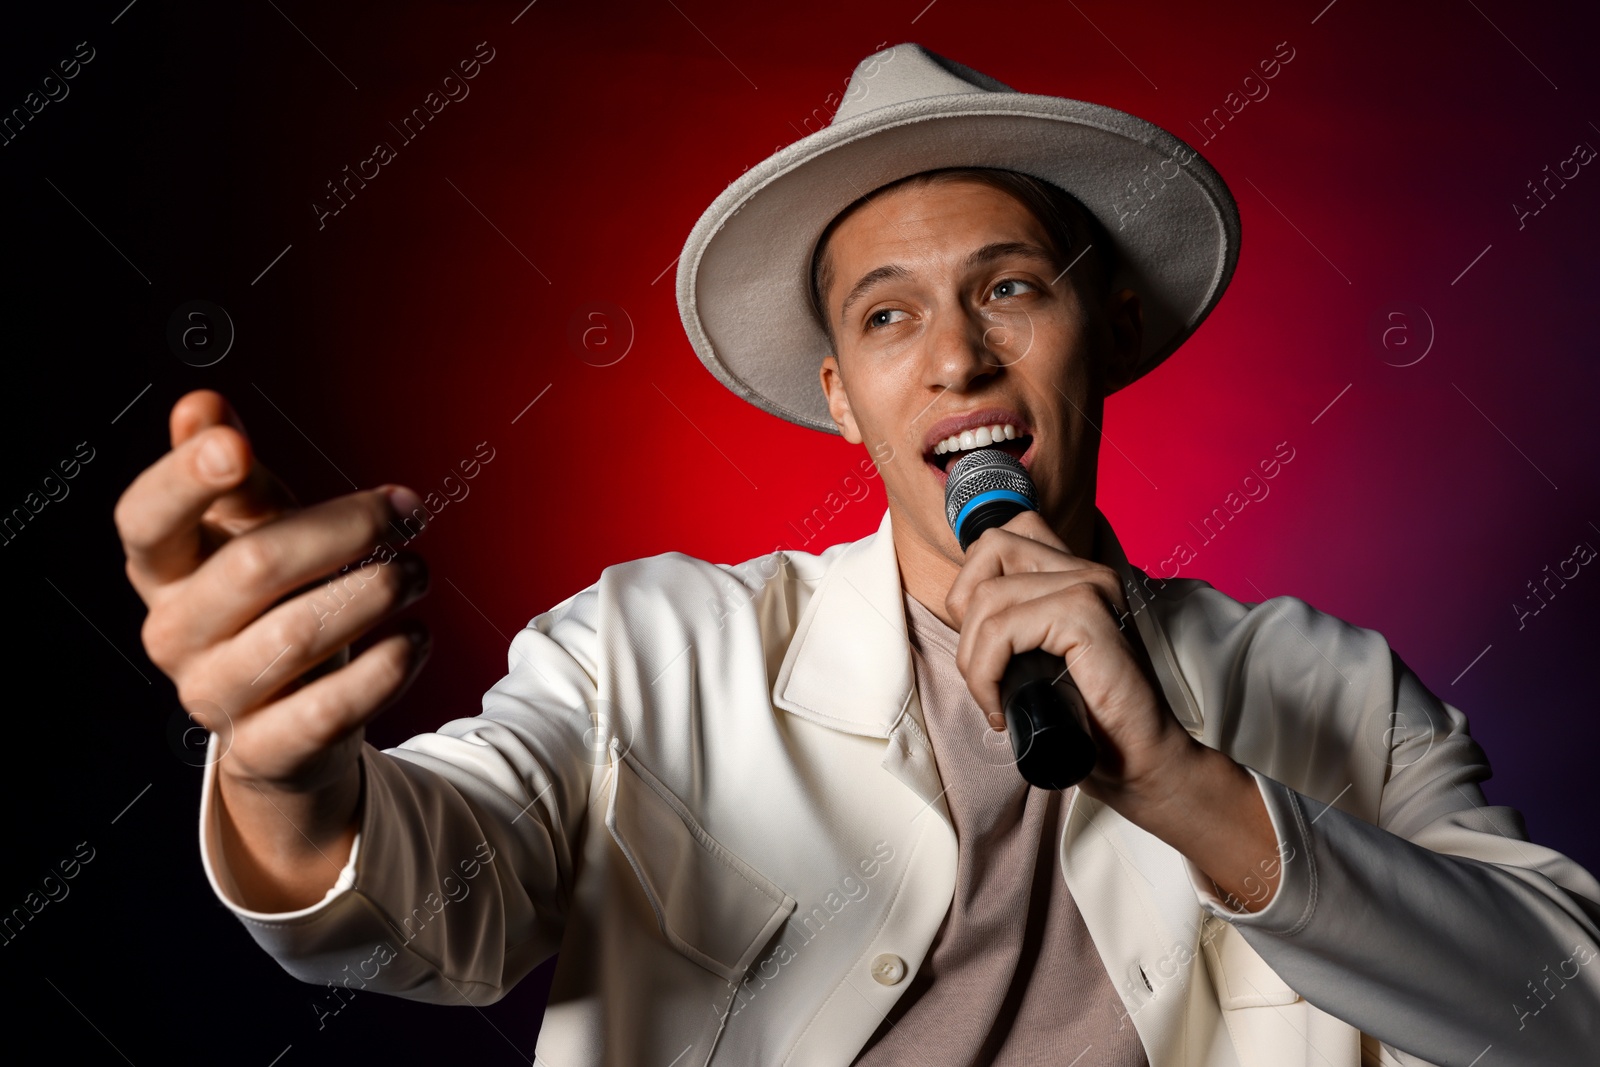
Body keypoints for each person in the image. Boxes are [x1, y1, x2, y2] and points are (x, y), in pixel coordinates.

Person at [114, 43, 1600, 1066]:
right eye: (887, 317)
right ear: (840, 395)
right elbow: (450, 902)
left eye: (1011, 288)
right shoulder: (654, 654)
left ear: (1115, 333)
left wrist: (1195, 793)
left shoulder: (1333, 688)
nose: (954, 356)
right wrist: (283, 779)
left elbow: (1564, 1017)